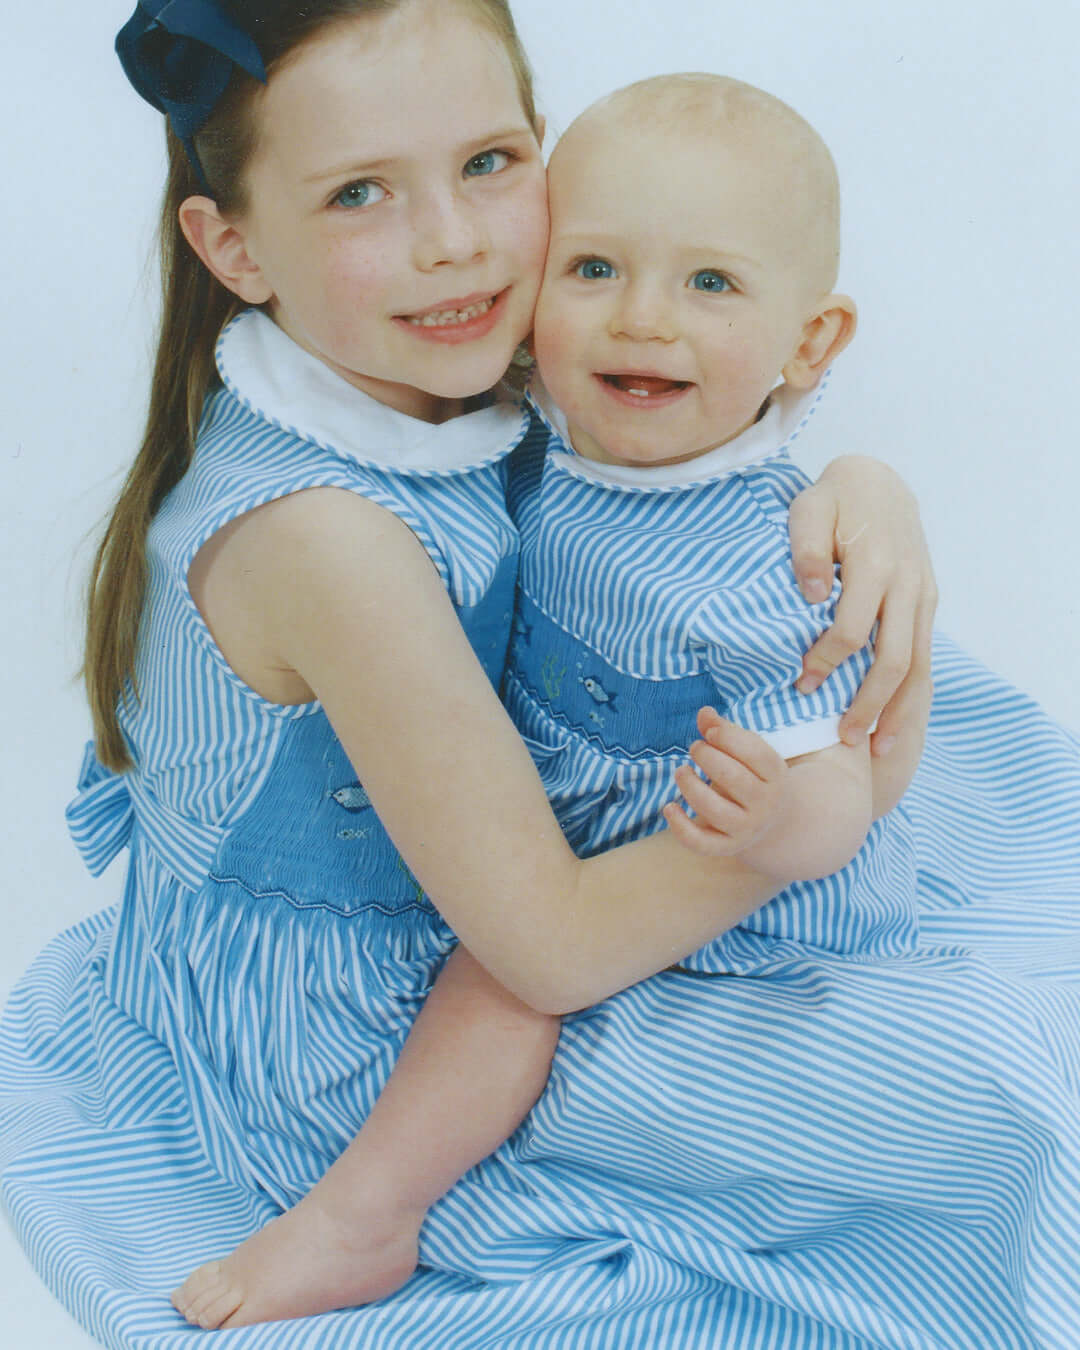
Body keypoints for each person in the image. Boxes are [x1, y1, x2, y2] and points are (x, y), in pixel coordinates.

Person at [0, 3, 968, 1347]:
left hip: (513, 843)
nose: (453, 239)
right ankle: (363, 1217)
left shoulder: (437, 342)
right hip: (379, 1019)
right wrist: (800, 829)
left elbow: (697, 402)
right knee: (917, 1129)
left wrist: (867, 484)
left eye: (492, 164)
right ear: (235, 246)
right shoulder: (331, 539)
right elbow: (548, 944)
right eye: (358, 192)